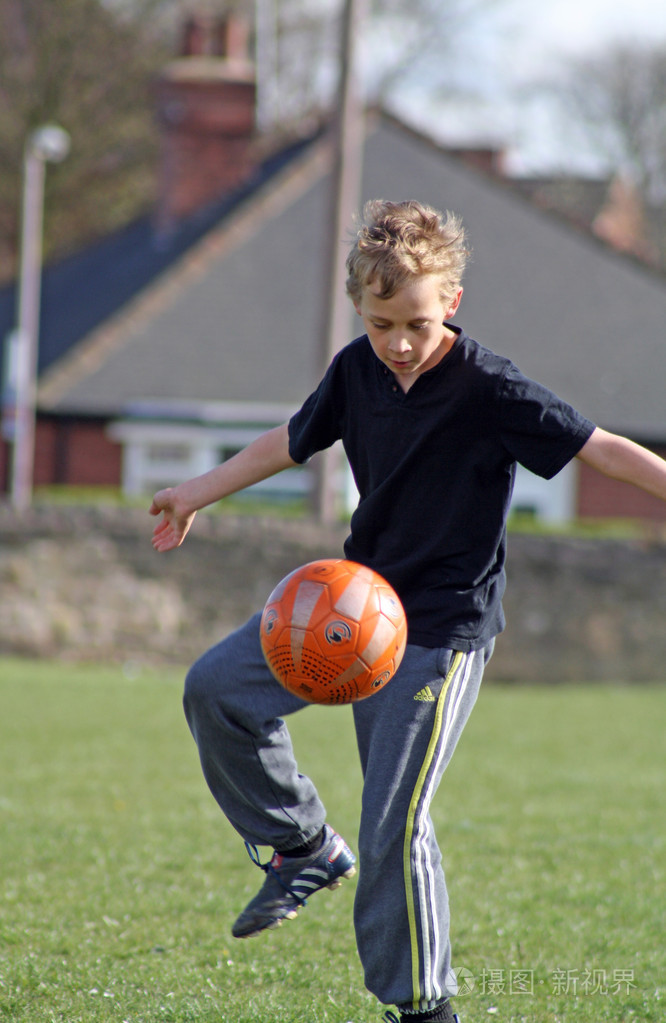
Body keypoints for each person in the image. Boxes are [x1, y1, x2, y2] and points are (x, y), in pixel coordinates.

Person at [149, 199, 666, 1023]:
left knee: (394, 821)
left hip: (438, 633)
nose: (398, 341)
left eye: (417, 323)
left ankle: (424, 1009)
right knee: (216, 689)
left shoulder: (492, 388)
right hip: (352, 607)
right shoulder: (356, 370)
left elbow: (599, 447)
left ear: (451, 302)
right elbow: (290, 439)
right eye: (381, 320)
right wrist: (194, 493)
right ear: (359, 306)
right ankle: (304, 844)